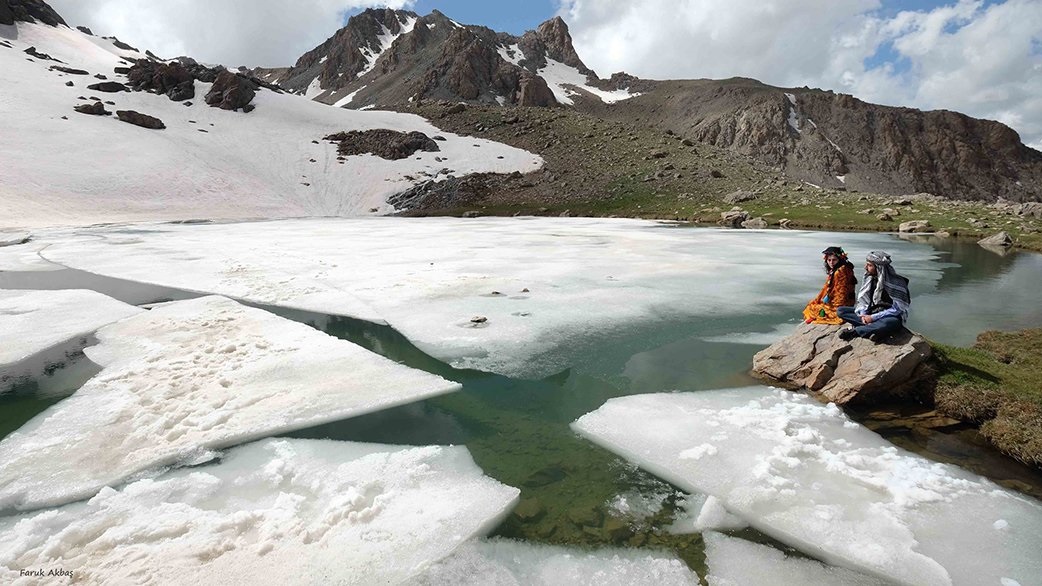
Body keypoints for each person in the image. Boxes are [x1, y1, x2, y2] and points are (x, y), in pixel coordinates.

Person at [837, 251, 910, 341]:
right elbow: (864, 301)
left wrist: (873, 318)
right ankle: (873, 331)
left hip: (888, 316)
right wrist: (864, 315)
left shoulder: (898, 284)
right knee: (841, 311)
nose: (865, 267)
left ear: (879, 268)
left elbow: (897, 310)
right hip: (871, 312)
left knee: (890, 323)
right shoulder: (870, 278)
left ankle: (856, 332)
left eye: (869, 265)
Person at [802, 246, 857, 325]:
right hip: (848, 301)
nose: (831, 262)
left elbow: (841, 293)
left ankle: (815, 317)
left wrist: (832, 306)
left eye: (834, 260)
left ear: (840, 260)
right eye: (829, 260)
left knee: (813, 309)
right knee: (814, 305)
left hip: (842, 304)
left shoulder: (841, 271)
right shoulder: (842, 268)